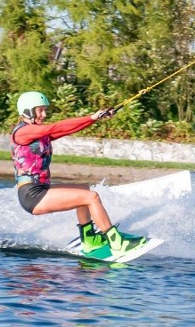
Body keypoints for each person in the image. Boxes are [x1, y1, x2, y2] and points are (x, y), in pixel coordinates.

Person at [11, 91, 145, 260]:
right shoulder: (22, 132)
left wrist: (96, 118)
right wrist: (91, 117)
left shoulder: (38, 133)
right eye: (40, 110)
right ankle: (116, 242)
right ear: (27, 110)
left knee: (84, 190)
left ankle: (89, 240)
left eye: (45, 110)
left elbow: (67, 130)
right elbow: (56, 127)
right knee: (91, 197)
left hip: (39, 189)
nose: (44, 114)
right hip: (32, 195)